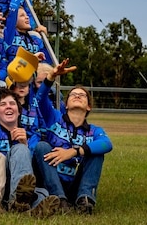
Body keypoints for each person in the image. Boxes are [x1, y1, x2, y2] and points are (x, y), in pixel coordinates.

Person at [33, 60, 113, 214]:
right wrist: (51, 76)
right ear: (66, 104)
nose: (77, 96)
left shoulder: (94, 131)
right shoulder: (54, 117)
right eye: (73, 95)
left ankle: (84, 200)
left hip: (75, 184)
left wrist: (74, 151)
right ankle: (59, 200)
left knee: (96, 153)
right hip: (51, 181)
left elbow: (107, 144)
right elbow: (40, 100)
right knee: (42, 146)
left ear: (88, 106)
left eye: (82, 95)